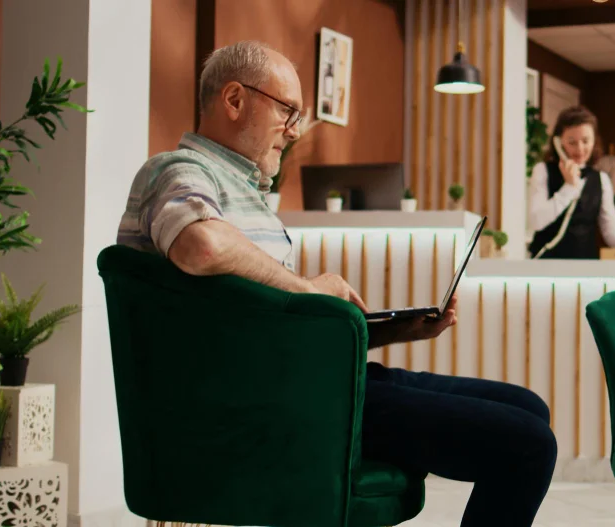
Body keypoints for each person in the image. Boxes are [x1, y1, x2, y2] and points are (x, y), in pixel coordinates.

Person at [117, 41, 556, 527]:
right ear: (235, 100)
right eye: (287, 110)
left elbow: (264, 321)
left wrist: (392, 330)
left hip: (306, 384)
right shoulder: (178, 170)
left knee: (527, 406)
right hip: (273, 404)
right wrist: (308, 289)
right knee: (526, 444)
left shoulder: (246, 191)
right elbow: (201, 247)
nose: (295, 129)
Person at [527, 106, 615, 259]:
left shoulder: (601, 180)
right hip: (545, 264)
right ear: (559, 142)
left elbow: (611, 231)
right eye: (572, 142)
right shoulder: (543, 171)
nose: (580, 148)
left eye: (586, 141)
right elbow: (536, 221)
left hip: (584, 266)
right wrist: (569, 187)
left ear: (594, 140)